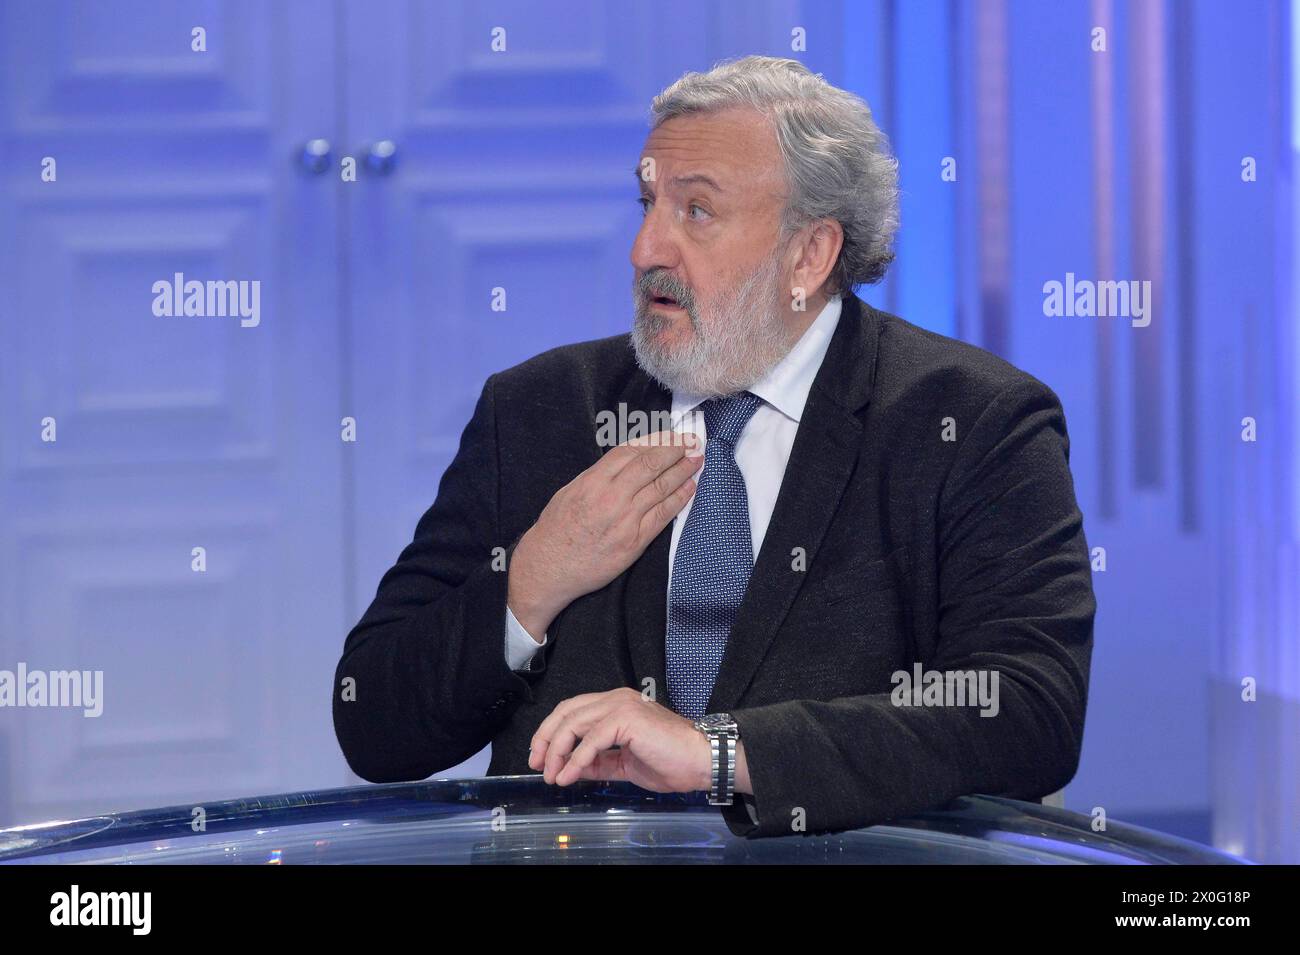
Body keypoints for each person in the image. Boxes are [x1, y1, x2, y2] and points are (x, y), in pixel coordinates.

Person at [333, 55, 1095, 838]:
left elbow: (1026, 708)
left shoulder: (973, 422)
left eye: (695, 211)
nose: (645, 249)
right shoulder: (539, 411)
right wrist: (530, 581)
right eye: (647, 202)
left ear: (810, 255)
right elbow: (373, 720)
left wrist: (722, 752)